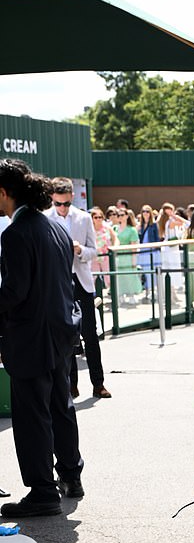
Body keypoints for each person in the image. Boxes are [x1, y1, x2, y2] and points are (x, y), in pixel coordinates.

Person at [0, 159, 84, 517]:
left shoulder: (16, 233)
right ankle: (70, 475)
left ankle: (42, 490)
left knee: (33, 414)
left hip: (30, 335)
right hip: (60, 330)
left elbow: (14, 292)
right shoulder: (55, 228)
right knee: (59, 407)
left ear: (4, 193)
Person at [46, 177, 111, 399]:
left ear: (72, 198)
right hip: (59, 283)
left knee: (90, 335)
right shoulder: (46, 218)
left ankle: (98, 383)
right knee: (65, 337)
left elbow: (95, 250)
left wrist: (80, 250)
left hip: (81, 280)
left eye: (65, 203)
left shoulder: (84, 218)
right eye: (57, 204)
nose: (62, 208)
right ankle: (70, 385)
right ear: (52, 200)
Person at [157, 202, 187, 303]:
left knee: (170, 271)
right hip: (171, 249)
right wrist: (174, 215)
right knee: (172, 271)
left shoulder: (164, 221)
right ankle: (170, 296)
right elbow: (183, 223)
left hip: (169, 248)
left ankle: (172, 294)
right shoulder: (169, 221)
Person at [114, 208, 142, 304]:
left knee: (130, 276)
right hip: (117, 256)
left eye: (122, 215)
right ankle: (120, 295)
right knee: (119, 277)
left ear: (126, 216)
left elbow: (134, 247)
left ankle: (131, 295)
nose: (120, 217)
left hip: (128, 256)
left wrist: (134, 260)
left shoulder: (132, 230)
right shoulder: (114, 228)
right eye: (118, 215)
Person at [90, 206, 118, 290]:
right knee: (93, 278)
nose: (98, 219)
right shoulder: (89, 229)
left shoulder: (107, 228)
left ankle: (113, 295)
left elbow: (116, 239)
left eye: (100, 217)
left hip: (106, 257)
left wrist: (114, 248)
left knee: (109, 277)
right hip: (94, 257)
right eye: (96, 217)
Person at [137, 204, 159, 299]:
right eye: (143, 211)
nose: (145, 213)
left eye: (147, 211)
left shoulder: (154, 225)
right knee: (145, 272)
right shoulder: (140, 226)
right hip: (143, 251)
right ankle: (147, 291)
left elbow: (157, 238)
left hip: (152, 251)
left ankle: (153, 291)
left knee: (152, 272)